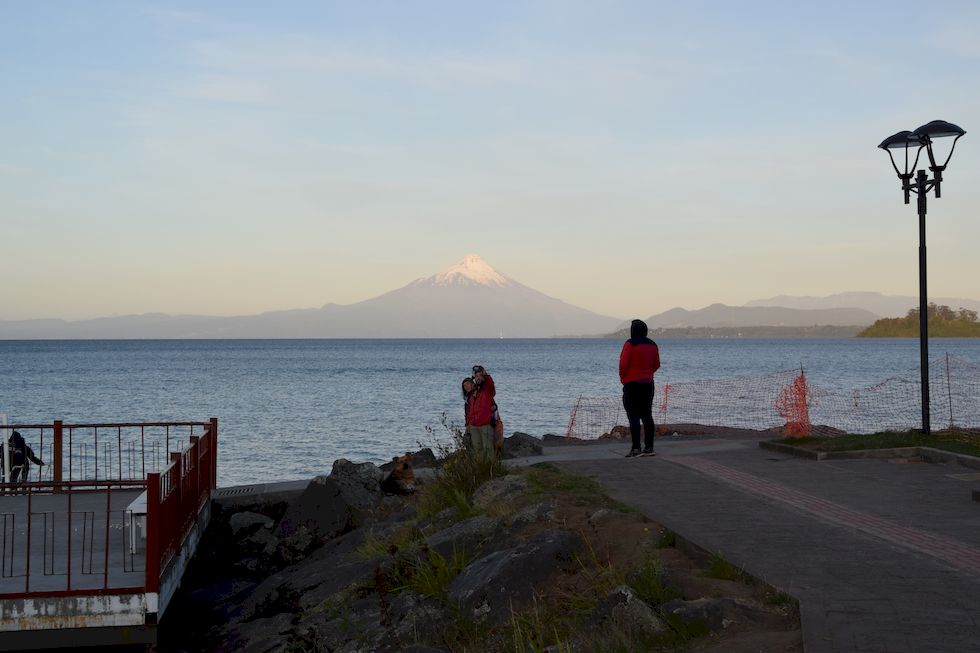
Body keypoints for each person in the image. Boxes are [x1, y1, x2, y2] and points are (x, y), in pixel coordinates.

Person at [619, 319, 661, 457]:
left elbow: (623, 364)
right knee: (647, 415)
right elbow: (656, 364)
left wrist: (623, 378)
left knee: (633, 416)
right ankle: (649, 447)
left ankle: (636, 448)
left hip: (632, 383)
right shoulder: (653, 344)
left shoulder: (630, 344)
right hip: (648, 383)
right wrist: (648, 373)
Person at [467, 365, 496, 460]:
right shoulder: (473, 391)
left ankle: (491, 471)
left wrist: (486, 374)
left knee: (488, 450)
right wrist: (468, 424)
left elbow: (491, 384)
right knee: (477, 451)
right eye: (476, 376)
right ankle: (480, 472)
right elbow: (470, 409)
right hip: (474, 426)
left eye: (480, 375)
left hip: (485, 425)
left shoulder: (488, 390)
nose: (478, 377)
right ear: (474, 377)